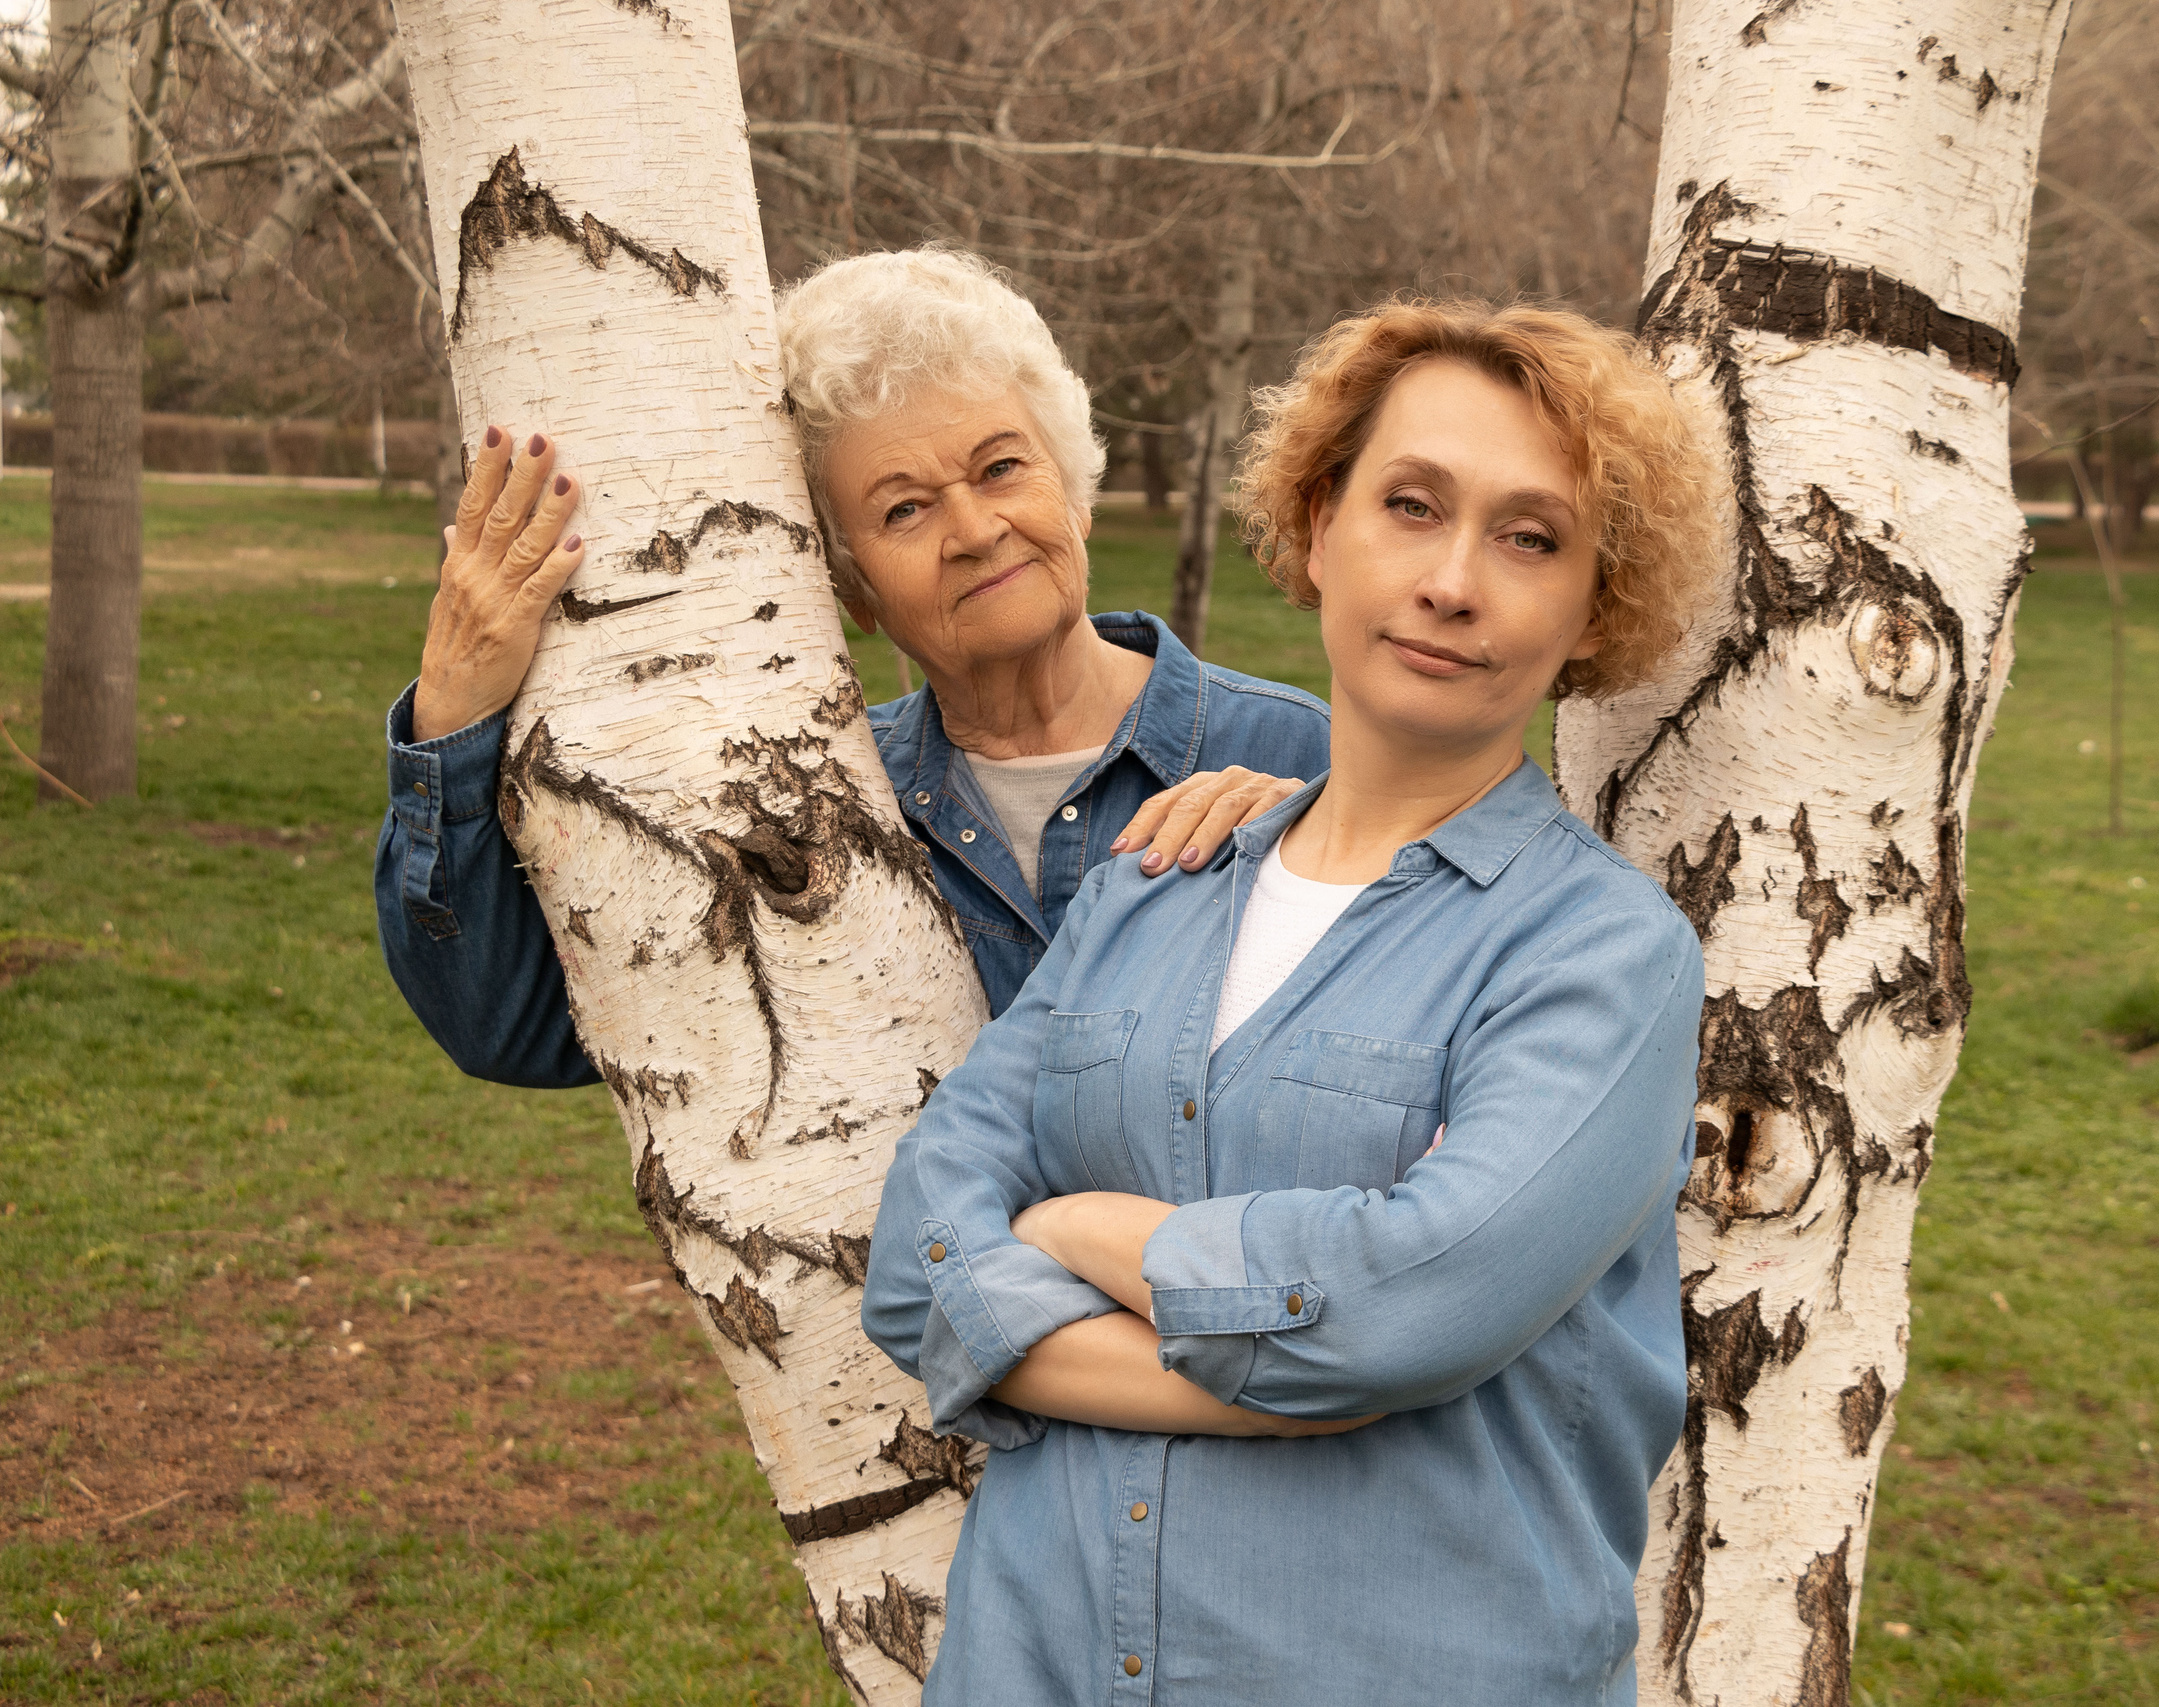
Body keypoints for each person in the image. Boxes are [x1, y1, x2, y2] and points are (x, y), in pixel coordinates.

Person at [864, 298, 1718, 1705]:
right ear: (1320, 528)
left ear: (1593, 604)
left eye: (1530, 536)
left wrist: (1076, 1230)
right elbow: (914, 1256)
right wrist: (1279, 1377)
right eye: (1411, 503)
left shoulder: (1601, 956)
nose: (1453, 580)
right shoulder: (1151, 880)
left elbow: (1407, 1305)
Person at [374, 248, 1327, 1081]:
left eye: (1002, 468)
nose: (976, 530)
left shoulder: (1297, 759)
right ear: (852, 590)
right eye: (903, 509)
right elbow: (510, 1025)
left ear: (1074, 493)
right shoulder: (810, 801)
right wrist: (454, 711)